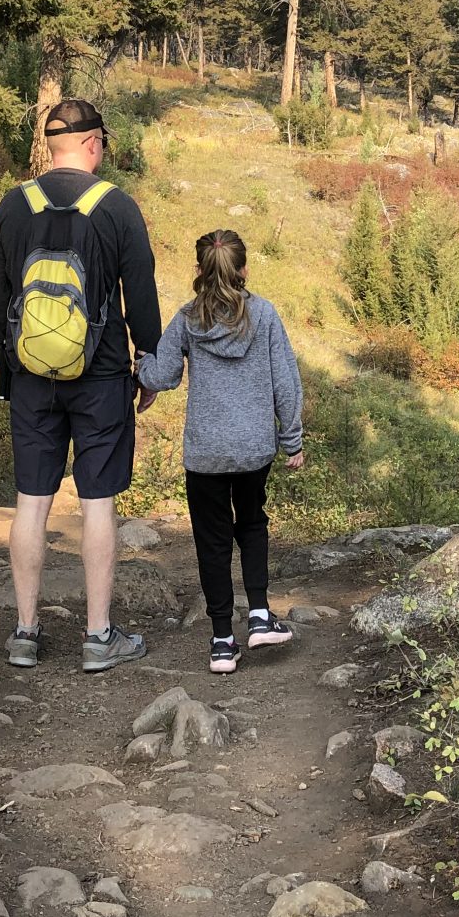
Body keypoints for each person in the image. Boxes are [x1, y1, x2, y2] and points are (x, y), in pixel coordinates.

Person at [0, 98, 161, 673]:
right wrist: (147, 361)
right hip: (102, 377)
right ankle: (98, 636)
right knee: (97, 503)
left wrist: (7, 361)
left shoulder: (14, 206)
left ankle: (25, 632)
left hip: (31, 377)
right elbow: (143, 296)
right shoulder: (117, 209)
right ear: (91, 145)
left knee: (31, 502)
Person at [136, 228, 304, 675]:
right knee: (251, 524)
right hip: (253, 451)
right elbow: (285, 381)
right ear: (244, 270)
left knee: (211, 542)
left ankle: (221, 642)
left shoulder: (188, 319)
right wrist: (292, 439)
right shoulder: (264, 315)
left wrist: (138, 364)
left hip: (206, 453)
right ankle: (261, 616)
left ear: (199, 271)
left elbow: (163, 375)